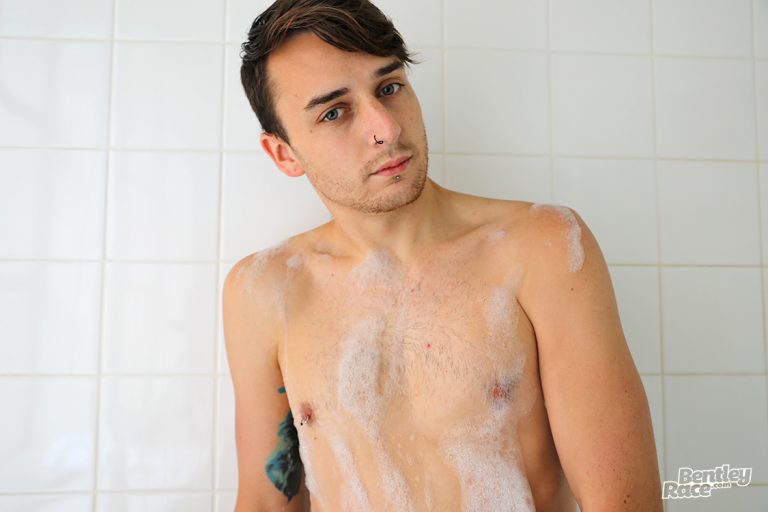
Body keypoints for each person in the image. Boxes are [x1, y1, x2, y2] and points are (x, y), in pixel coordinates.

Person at [222, 0, 663, 510]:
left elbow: (624, 503)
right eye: (335, 112)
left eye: (389, 87)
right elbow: (265, 499)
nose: (386, 129)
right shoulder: (263, 291)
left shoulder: (541, 249)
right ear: (284, 153)